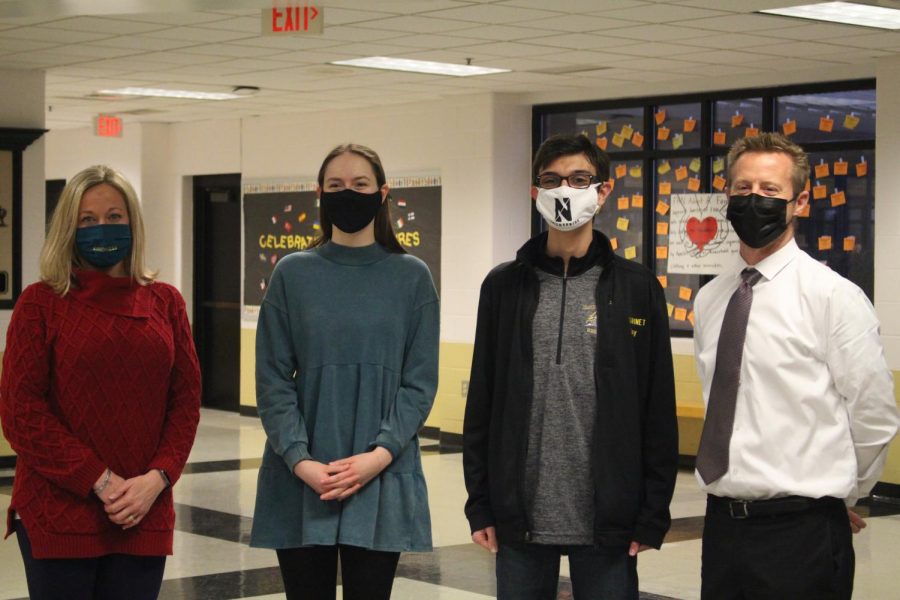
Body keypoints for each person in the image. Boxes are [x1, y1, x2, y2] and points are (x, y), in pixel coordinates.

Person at [463, 133, 678, 600]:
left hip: (609, 518)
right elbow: (483, 401)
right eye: (552, 179)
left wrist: (652, 511)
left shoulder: (638, 287)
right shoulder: (503, 287)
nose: (565, 189)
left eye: (579, 179)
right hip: (520, 516)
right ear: (535, 191)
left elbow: (657, 408)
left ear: (603, 191)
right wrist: (479, 504)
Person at [692, 132, 900, 600]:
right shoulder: (711, 299)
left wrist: (840, 495)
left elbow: (873, 416)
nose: (754, 201)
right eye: (742, 189)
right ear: (726, 194)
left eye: (770, 191)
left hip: (801, 533)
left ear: (800, 201)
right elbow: (720, 401)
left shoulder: (833, 297)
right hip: (724, 526)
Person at [0, 165, 202, 600]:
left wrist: (158, 477)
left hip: (142, 511)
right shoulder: (40, 304)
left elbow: (185, 402)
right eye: (87, 220)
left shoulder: (165, 302)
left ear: (133, 222)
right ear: (68, 228)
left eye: (114, 216)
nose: (102, 228)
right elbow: (21, 412)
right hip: (58, 512)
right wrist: (100, 480)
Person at [250, 143, 439, 600]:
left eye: (360, 184)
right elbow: (272, 380)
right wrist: (301, 459)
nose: (347, 193)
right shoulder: (291, 275)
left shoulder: (412, 277)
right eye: (336, 185)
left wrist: (379, 455)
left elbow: (419, 384)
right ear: (320, 193)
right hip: (303, 476)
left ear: (383, 193)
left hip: (381, 472)